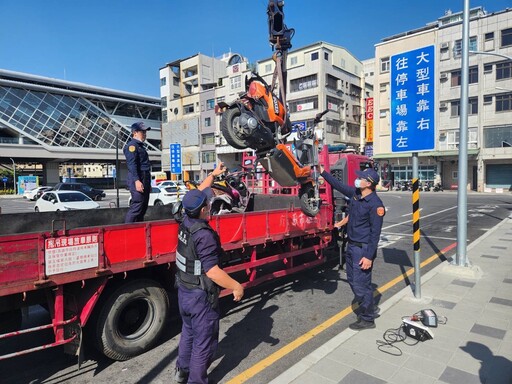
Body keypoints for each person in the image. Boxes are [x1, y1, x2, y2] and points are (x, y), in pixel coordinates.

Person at [174, 162, 244, 384]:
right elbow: (213, 272)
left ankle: (181, 372)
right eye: (208, 204)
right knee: (203, 343)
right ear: (204, 210)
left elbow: (199, 191)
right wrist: (236, 286)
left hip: (184, 290)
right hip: (200, 297)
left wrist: (213, 174)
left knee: (188, 333)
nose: (210, 205)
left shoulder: (185, 219)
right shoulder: (204, 235)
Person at [320, 165, 385, 330]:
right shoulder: (356, 195)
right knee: (354, 280)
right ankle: (370, 306)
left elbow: (375, 234)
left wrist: (369, 257)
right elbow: (338, 186)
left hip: (362, 250)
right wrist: (322, 172)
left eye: (361, 178)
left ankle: (367, 319)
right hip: (352, 245)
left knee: (360, 284)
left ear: (369, 183)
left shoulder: (375, 205)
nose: (358, 180)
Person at [124, 122, 151, 223]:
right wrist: (137, 181)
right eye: (142, 132)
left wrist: (148, 184)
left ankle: (138, 229)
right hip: (138, 178)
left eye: (145, 132)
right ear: (135, 132)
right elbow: (132, 165)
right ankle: (127, 230)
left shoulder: (140, 146)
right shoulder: (132, 146)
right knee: (137, 205)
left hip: (144, 178)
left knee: (143, 206)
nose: (144, 134)